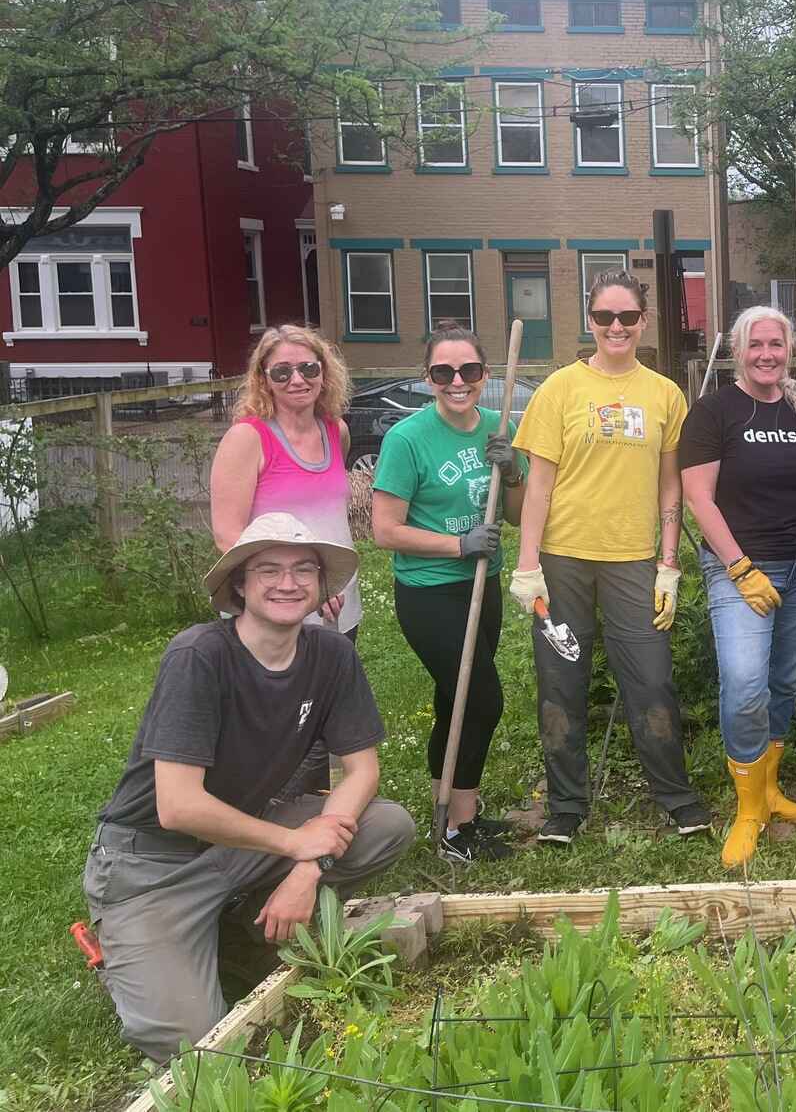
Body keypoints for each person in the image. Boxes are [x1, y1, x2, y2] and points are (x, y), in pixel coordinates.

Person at [82, 513, 415, 1063]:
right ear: (239, 583)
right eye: (269, 569)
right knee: (194, 1045)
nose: (288, 582)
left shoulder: (332, 656)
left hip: (242, 843)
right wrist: (292, 844)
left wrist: (309, 867)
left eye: (303, 569)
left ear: (320, 584)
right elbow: (178, 806)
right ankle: (132, 949)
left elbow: (362, 772)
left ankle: (243, 927)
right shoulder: (199, 657)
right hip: (152, 866)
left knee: (386, 826)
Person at [509, 269, 710, 843]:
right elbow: (539, 486)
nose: (616, 326)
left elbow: (670, 485)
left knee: (650, 680)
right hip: (563, 560)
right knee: (561, 679)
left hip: (633, 561)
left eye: (627, 316)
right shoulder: (559, 390)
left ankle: (675, 795)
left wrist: (669, 561)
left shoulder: (664, 393)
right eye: (604, 317)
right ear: (590, 321)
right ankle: (567, 807)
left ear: (643, 321)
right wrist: (528, 566)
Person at [680, 306, 796, 867]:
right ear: (737, 348)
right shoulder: (714, 411)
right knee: (745, 680)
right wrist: (738, 567)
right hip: (741, 568)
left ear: (789, 347)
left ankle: (771, 790)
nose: (766, 355)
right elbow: (698, 498)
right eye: (755, 345)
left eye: (775, 345)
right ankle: (748, 807)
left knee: (784, 679)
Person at [371, 325, 526, 863]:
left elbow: (516, 516)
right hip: (430, 593)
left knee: (452, 700)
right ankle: (460, 829)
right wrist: (458, 544)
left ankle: (451, 812)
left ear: (486, 376)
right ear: (428, 378)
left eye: (469, 371)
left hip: (482, 588)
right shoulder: (407, 439)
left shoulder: (498, 425)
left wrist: (513, 472)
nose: (457, 382)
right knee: (483, 700)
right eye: (444, 372)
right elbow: (385, 530)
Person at [210, 324, 360, 796]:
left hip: (337, 602)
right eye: (282, 371)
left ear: (325, 372)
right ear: (263, 379)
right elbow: (228, 535)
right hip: (273, 607)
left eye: (308, 368)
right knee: (272, 723)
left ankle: (314, 818)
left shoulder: (335, 431)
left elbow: (332, 517)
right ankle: (261, 823)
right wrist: (294, 586)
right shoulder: (248, 438)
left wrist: (328, 585)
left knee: (323, 717)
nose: (297, 379)